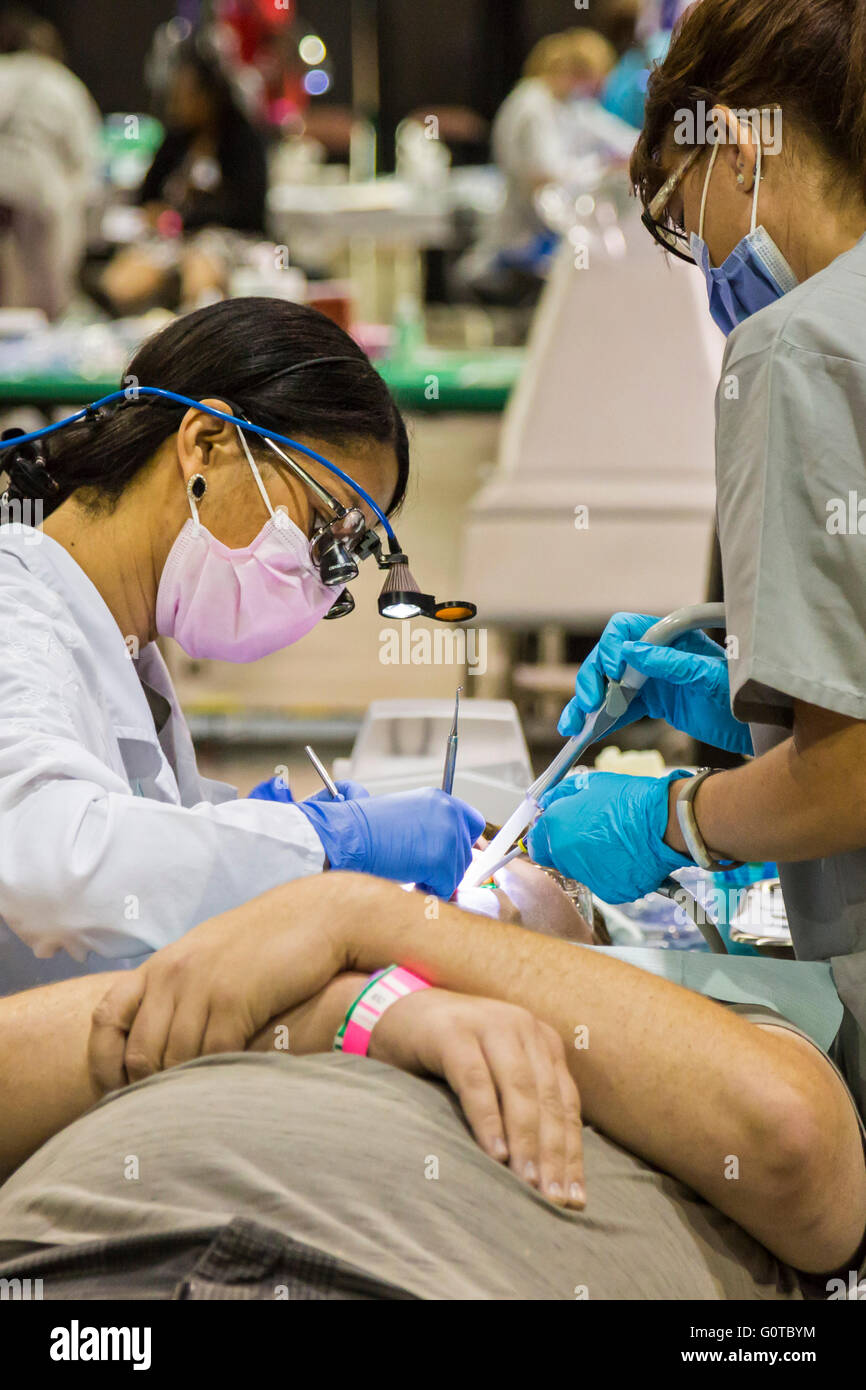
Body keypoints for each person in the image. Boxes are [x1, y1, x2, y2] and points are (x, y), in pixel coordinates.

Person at [527, 0, 866, 1127]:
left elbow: (853, 772)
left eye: (681, 207)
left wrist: (675, 814)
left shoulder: (800, 343)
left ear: (733, 141)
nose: (706, 256)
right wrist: (755, 711)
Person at [0, 860, 862, 1299]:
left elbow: (784, 1137)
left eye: (542, 887)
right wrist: (353, 1010)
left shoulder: (714, 1016)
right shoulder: (344, 1004)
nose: (485, 896)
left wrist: (359, 914)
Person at [0, 297, 482, 995]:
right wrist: (323, 845)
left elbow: (127, 858)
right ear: (206, 442)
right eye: (323, 530)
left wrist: (245, 829)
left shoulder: (120, 644)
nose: (318, 583)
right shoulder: (17, 616)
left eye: (344, 561)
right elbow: (53, 868)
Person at [456, 29, 634, 305]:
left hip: (544, 237)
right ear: (579, 75)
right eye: (594, 84)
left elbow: (616, 137)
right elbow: (544, 176)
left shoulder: (567, 105)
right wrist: (603, 167)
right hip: (519, 243)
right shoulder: (531, 106)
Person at [99, 35, 268, 315]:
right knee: (123, 282)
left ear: (209, 94)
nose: (177, 101)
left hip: (226, 241)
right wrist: (157, 214)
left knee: (200, 271)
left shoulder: (241, 139)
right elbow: (146, 195)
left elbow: (248, 209)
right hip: (169, 240)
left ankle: (197, 342)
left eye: (185, 93)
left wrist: (183, 217)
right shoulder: (176, 139)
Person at [0, 4, 101, 318]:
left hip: (28, 197)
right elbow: (88, 165)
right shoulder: (63, 83)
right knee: (43, 311)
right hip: (41, 200)